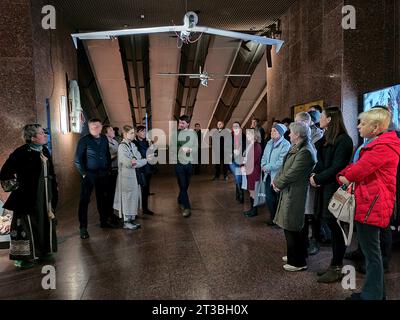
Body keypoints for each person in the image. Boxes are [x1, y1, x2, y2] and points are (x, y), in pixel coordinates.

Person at [338, 108, 400, 300]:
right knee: (373, 253)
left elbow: (356, 172)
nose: (358, 126)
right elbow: (356, 168)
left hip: (372, 206)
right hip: (371, 204)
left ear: (375, 127)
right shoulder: (380, 145)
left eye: (362, 123)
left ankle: (372, 296)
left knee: (372, 254)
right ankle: (376, 294)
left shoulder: (381, 147)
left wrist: (343, 176)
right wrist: (346, 175)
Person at [0, 124, 58, 269]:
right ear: (32, 138)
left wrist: (53, 186)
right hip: (28, 196)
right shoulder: (21, 153)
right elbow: (5, 172)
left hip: (45, 193)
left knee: (44, 220)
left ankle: (43, 251)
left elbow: (50, 171)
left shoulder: (44, 149)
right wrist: (17, 187)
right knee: (25, 226)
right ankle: (24, 257)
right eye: (41, 133)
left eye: (44, 132)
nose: (45, 135)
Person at [309, 106, 353, 282]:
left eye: (322, 116)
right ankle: (334, 265)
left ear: (329, 119)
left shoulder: (344, 140)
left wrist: (317, 178)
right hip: (324, 187)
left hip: (335, 190)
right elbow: (320, 162)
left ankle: (336, 267)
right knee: (330, 225)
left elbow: (337, 167)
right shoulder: (326, 138)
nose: (319, 119)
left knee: (337, 230)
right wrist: (314, 175)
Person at [273, 122, 317, 272]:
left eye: (291, 132)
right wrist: (276, 181)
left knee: (292, 226)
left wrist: (278, 183)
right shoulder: (297, 147)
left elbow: (292, 172)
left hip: (296, 193)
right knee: (290, 225)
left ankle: (297, 262)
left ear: (297, 135)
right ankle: (294, 255)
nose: (289, 134)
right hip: (290, 191)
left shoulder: (305, 151)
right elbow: (284, 168)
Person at [75, 118, 112, 240]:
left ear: (101, 127)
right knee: (84, 200)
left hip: (103, 173)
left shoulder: (104, 139)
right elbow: (78, 159)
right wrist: (84, 173)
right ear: (89, 128)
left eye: (97, 126)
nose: (95, 129)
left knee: (103, 199)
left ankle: (104, 221)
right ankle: (83, 228)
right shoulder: (84, 140)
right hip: (89, 174)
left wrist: (108, 169)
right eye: (92, 127)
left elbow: (107, 154)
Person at [113, 125, 147, 230]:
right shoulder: (122, 146)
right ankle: (126, 221)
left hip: (134, 175)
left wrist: (139, 161)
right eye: (131, 133)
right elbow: (128, 163)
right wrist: (141, 161)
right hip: (126, 177)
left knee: (134, 197)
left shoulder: (132, 145)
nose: (133, 135)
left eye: (133, 133)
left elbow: (138, 158)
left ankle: (131, 219)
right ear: (125, 134)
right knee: (127, 198)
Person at [261, 123, 290, 225]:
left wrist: (267, 167)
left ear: (281, 133)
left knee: (278, 199)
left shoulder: (286, 144)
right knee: (269, 198)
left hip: (278, 175)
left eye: (275, 131)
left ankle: (279, 220)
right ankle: (273, 217)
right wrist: (263, 165)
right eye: (272, 130)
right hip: (268, 174)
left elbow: (281, 161)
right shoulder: (269, 143)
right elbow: (264, 156)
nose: (272, 132)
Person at [171, 115, 197, 217]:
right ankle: (187, 207)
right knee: (182, 184)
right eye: (180, 123)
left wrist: (190, 150)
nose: (180, 125)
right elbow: (172, 148)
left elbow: (196, 147)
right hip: (178, 163)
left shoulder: (193, 134)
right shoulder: (175, 134)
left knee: (186, 185)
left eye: (183, 123)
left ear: (188, 123)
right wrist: (181, 148)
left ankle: (180, 198)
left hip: (189, 163)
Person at [134, 125, 154, 215]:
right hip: (140, 169)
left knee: (145, 190)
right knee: (138, 190)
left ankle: (145, 208)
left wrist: (152, 147)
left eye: (145, 131)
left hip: (148, 168)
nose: (144, 133)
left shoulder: (147, 142)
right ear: (137, 133)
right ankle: (135, 210)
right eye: (142, 131)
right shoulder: (134, 143)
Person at [242, 129, 262, 218]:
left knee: (253, 191)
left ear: (255, 135)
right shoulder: (250, 144)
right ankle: (252, 209)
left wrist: (245, 166)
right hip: (249, 170)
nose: (247, 136)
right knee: (250, 191)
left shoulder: (257, 146)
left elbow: (253, 159)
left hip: (254, 171)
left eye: (249, 134)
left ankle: (254, 210)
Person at [103, 125, 120, 225]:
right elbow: (108, 157)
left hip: (117, 169)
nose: (113, 131)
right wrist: (118, 154)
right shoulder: (105, 143)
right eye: (110, 130)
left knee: (113, 193)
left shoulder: (115, 142)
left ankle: (112, 213)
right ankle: (108, 215)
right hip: (110, 170)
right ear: (106, 133)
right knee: (109, 194)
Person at [230, 122, 246, 204]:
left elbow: (246, 149)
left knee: (238, 177)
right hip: (232, 160)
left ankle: (238, 194)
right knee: (238, 175)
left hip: (241, 160)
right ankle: (241, 194)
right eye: (233, 126)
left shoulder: (244, 137)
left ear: (240, 128)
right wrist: (233, 153)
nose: (235, 127)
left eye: (237, 126)